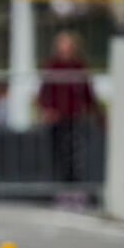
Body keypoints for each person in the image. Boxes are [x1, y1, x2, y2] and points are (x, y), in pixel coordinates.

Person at [37, 31, 98, 183]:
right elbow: (44, 93)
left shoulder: (79, 67)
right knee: (57, 154)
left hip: (74, 118)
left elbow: (88, 93)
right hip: (57, 118)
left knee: (75, 157)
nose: (65, 51)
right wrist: (48, 110)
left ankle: (74, 188)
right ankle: (59, 187)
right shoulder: (52, 67)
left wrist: (93, 110)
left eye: (68, 47)